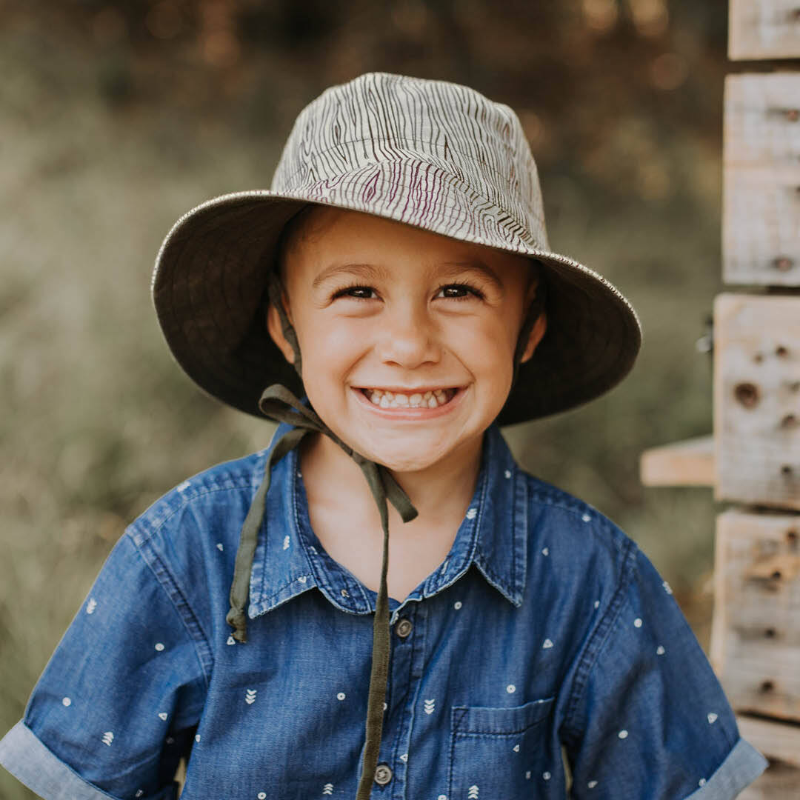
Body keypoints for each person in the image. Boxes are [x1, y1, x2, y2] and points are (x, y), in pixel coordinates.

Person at [0, 72, 767, 800]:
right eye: (357, 291)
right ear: (285, 324)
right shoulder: (181, 555)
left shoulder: (591, 578)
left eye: (459, 291)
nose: (407, 342)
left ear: (529, 327)